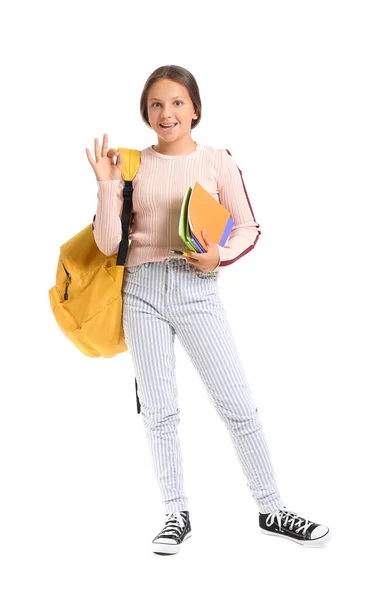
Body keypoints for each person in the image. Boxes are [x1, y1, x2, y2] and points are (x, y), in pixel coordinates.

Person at [86, 65, 331, 554]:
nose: (166, 113)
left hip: (198, 287)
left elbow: (248, 227)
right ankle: (175, 514)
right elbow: (109, 244)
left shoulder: (218, 160)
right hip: (141, 291)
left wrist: (220, 255)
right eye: (156, 104)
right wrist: (108, 185)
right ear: (145, 112)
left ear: (195, 109)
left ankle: (272, 508)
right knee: (159, 411)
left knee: (237, 404)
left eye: (177, 102)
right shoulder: (132, 164)